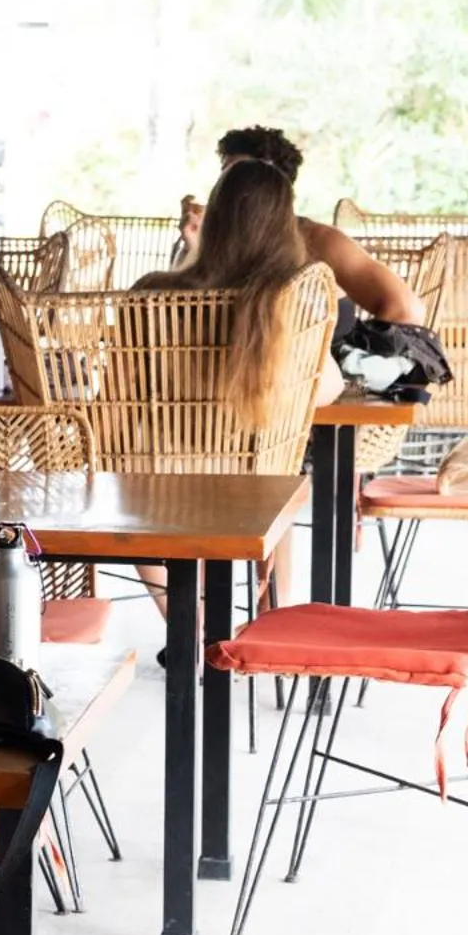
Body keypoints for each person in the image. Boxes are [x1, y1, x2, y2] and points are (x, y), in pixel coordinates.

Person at [134, 157, 344, 621]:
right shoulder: (291, 300)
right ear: (285, 226)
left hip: (159, 490)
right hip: (255, 493)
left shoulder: (153, 293)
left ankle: (187, 624)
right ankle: (264, 621)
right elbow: (327, 387)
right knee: (283, 480)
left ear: (216, 220)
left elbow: (125, 388)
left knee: (133, 501)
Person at [179, 125, 425, 327]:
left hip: (323, 368)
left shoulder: (318, 241)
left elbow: (405, 309)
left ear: (276, 187)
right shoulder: (211, 241)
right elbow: (177, 318)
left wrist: (353, 363)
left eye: (238, 176)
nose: (227, 187)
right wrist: (194, 250)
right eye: (225, 177)